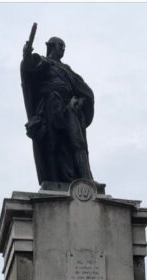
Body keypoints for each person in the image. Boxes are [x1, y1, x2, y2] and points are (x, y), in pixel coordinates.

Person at [20, 30, 95, 184]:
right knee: (52, 144)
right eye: (60, 46)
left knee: (77, 142)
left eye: (64, 47)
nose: (63, 49)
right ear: (51, 46)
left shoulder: (66, 68)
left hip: (70, 108)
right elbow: (29, 66)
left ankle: (87, 180)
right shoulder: (42, 62)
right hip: (50, 107)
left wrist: (80, 100)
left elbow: (83, 89)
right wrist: (26, 54)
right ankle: (53, 181)